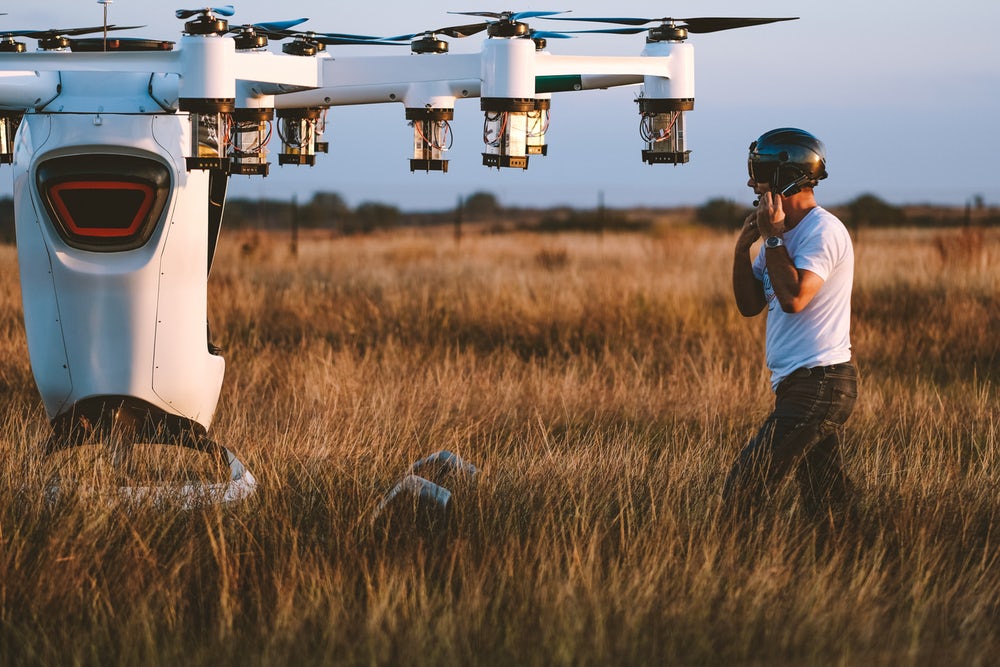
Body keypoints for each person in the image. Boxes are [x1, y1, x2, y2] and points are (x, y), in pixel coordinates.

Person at [723, 128, 859, 523]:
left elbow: (794, 299)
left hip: (821, 383)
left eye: (759, 173)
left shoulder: (822, 231)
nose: (751, 182)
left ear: (786, 176)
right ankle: (857, 562)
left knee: (745, 486)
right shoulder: (781, 234)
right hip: (798, 384)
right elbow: (750, 305)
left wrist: (772, 239)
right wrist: (740, 251)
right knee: (827, 502)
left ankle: (736, 569)